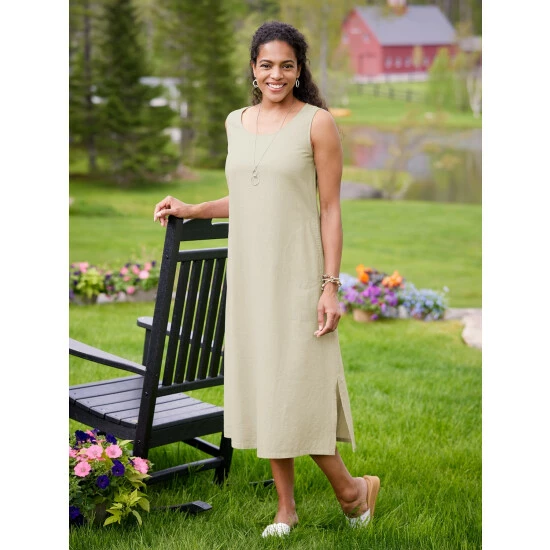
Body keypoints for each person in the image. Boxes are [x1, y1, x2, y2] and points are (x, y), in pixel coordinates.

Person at [153, 21, 380, 538]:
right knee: (264, 383)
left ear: (299, 70)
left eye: (286, 65)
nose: (276, 74)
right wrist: (194, 208)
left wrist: (330, 285)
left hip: (299, 273)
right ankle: (286, 508)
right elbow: (249, 195)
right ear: (253, 69)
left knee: (295, 385)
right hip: (250, 277)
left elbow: (329, 209)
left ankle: (351, 490)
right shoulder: (236, 122)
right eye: (266, 65)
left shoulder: (318, 124)